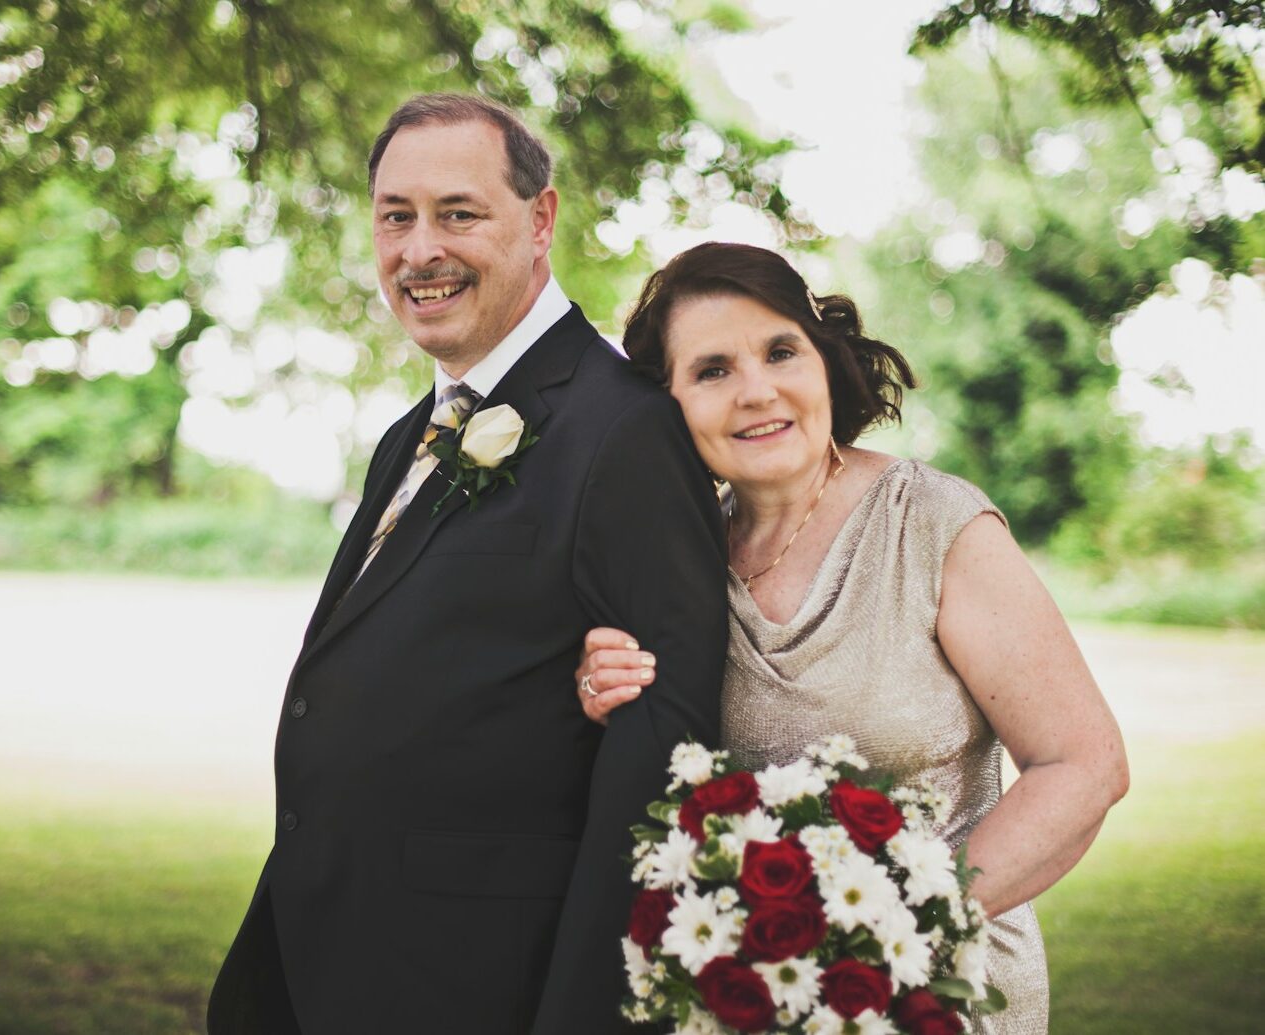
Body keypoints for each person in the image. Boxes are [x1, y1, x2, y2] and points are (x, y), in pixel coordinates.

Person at [205, 94, 727, 1034]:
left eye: (458, 213)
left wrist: (579, 1014)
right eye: (395, 216)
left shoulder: (626, 430)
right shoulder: (414, 431)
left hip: (483, 986)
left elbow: (665, 749)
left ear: (542, 221)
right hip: (333, 954)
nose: (419, 250)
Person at [575, 242, 1130, 1033]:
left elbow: (1084, 763)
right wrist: (602, 691)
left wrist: (890, 927)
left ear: (825, 362)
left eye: (780, 352)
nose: (756, 391)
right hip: (751, 1005)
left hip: (944, 998)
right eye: (712, 370)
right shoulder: (674, 562)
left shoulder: (934, 523)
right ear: (667, 406)